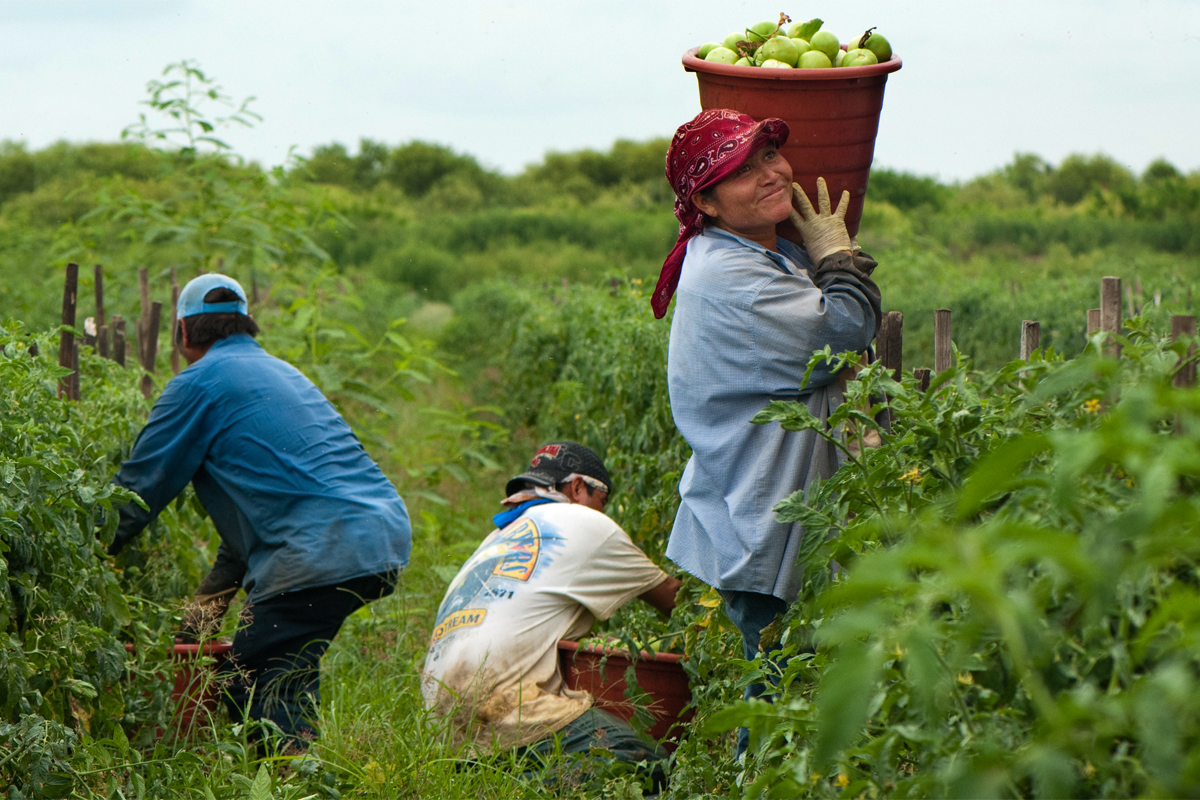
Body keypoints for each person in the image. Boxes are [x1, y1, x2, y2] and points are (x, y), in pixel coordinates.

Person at [652, 109, 882, 756]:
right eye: (743, 171)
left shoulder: (741, 251)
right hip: (763, 518)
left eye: (771, 157)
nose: (772, 174)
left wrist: (819, 251)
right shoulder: (731, 279)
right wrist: (839, 255)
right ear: (704, 200)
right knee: (786, 706)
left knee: (784, 692)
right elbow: (843, 331)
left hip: (756, 505)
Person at [106, 273, 412, 742]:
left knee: (250, 685)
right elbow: (258, 523)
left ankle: (296, 784)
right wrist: (201, 616)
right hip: (380, 537)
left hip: (320, 550)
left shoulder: (197, 386)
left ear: (183, 332)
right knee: (278, 667)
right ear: (247, 324)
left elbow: (136, 493)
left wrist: (84, 551)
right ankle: (301, 776)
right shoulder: (282, 372)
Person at [422, 442, 681, 774]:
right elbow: (675, 600)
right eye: (602, 502)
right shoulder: (588, 523)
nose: (603, 513)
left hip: (440, 730)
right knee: (655, 770)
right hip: (507, 709)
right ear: (577, 487)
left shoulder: (496, 537)